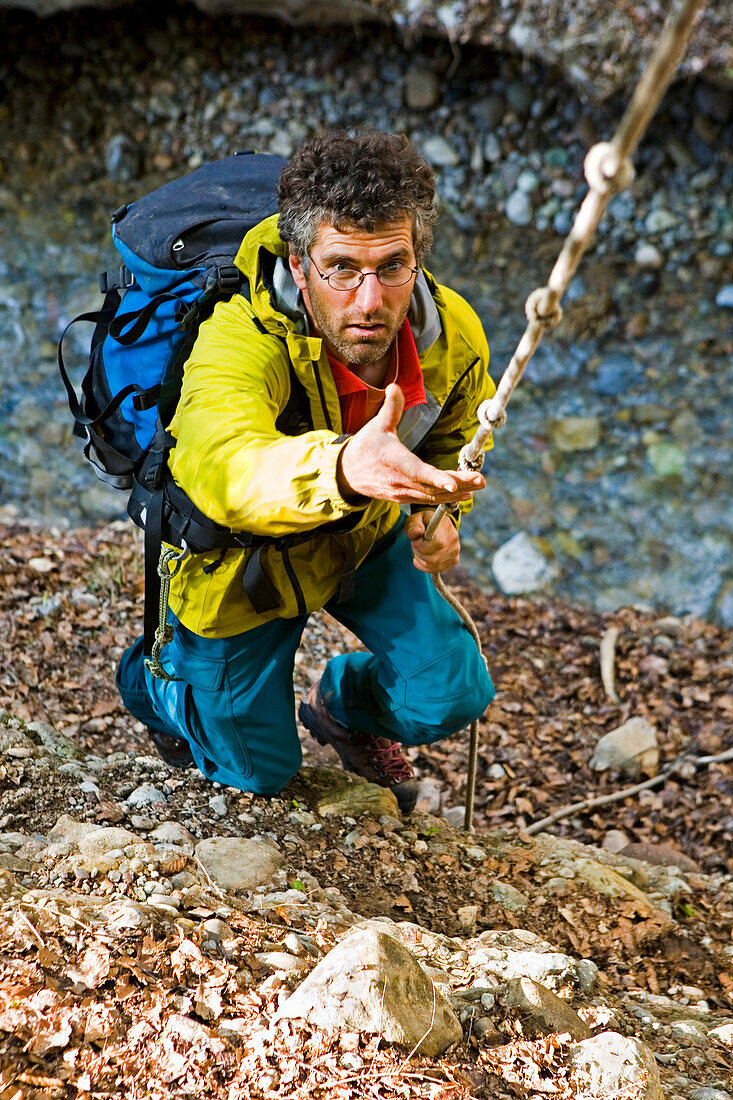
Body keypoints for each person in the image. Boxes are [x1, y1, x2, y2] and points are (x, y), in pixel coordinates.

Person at [116, 130, 496, 814]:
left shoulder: (453, 334)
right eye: (341, 268)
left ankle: (339, 707)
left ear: (415, 259)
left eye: (392, 266)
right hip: (243, 565)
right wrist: (347, 468)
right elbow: (221, 464)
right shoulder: (237, 338)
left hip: (364, 535)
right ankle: (156, 682)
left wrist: (437, 514)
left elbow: (455, 433)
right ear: (299, 267)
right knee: (258, 772)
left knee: (450, 692)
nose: (369, 301)